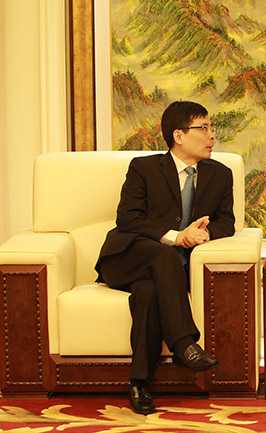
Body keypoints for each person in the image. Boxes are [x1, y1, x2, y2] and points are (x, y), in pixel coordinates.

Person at [95, 101, 236, 415]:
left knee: (148, 293)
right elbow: (127, 219)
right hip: (127, 258)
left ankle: (139, 384)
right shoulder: (144, 168)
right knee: (163, 253)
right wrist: (177, 237)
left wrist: (204, 235)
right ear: (179, 135)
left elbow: (227, 221)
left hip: (167, 274)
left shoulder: (220, 174)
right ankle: (184, 343)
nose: (212, 135)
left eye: (212, 127)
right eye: (203, 128)